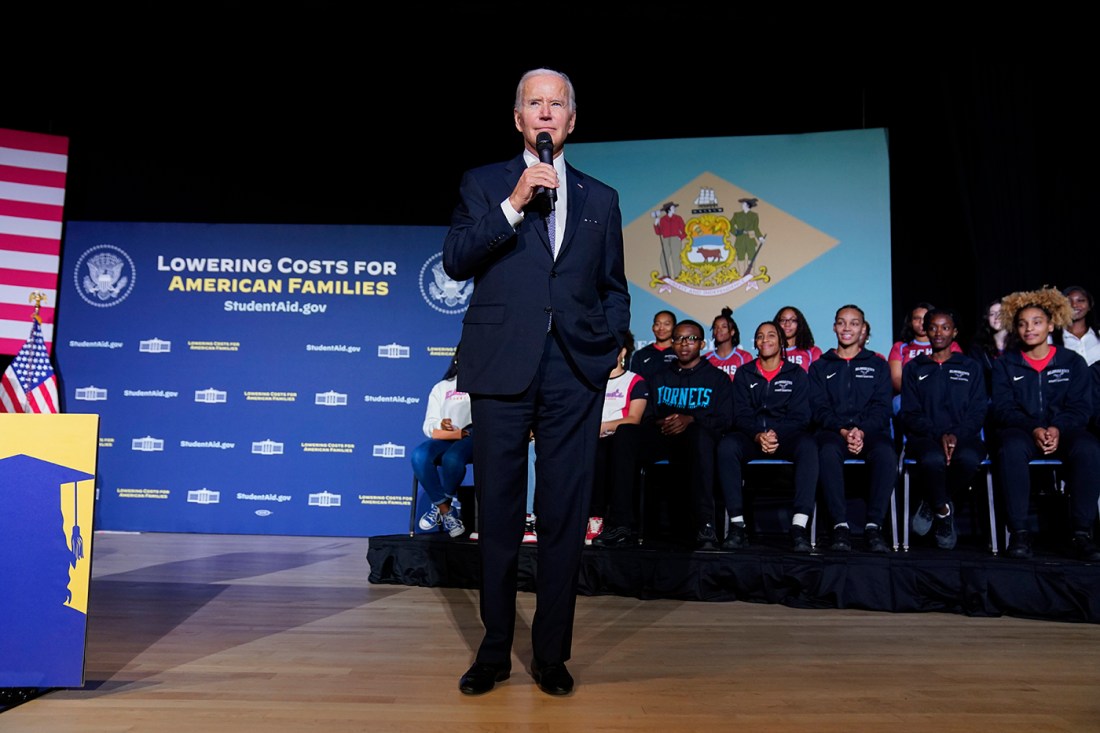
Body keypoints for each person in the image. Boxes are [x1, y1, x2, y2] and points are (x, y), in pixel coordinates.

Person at [442, 68, 630, 697]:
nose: (546, 113)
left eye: (557, 105)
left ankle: (550, 653)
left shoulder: (601, 198)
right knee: (497, 513)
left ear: (572, 121)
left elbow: (613, 289)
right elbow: (457, 259)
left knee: (563, 516)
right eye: (535, 104)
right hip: (501, 365)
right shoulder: (484, 184)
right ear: (518, 118)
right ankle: (494, 651)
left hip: (574, 369)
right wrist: (515, 203)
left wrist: (607, 347)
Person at [594, 320, 733, 550]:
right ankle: (620, 525)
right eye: (678, 339)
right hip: (663, 435)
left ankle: (705, 525)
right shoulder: (659, 378)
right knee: (626, 432)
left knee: (699, 436)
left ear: (702, 343)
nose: (684, 344)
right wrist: (666, 422)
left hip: (696, 441)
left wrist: (690, 419)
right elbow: (647, 418)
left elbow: (725, 420)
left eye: (691, 339)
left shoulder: (717, 379)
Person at [991, 287, 1100, 561]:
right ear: (1016, 329)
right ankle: (1019, 532)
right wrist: (1034, 429)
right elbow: (1003, 409)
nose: (1030, 329)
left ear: (1051, 325)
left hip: (1064, 431)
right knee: (1010, 447)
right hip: (1024, 432)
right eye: (1023, 324)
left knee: (1089, 448)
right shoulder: (1006, 365)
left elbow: (1081, 408)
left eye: (1037, 322)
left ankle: (1082, 533)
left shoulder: (1072, 362)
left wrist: (1057, 428)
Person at [716, 320, 818, 551]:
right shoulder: (744, 373)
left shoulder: (796, 374)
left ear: (781, 341)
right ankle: (737, 525)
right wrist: (757, 435)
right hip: (753, 437)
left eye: (771, 335)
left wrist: (775, 434)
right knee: (727, 446)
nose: (765, 340)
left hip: (786, 437)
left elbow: (802, 417)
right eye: (760, 336)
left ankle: (799, 527)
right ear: (755, 343)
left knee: (809, 446)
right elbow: (739, 415)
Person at [809, 304, 896, 553]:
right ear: (835, 327)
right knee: (826, 452)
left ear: (863, 329)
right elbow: (818, 408)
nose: (847, 328)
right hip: (833, 433)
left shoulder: (878, 365)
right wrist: (844, 431)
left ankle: (873, 526)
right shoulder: (820, 366)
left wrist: (861, 430)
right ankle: (840, 526)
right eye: (842, 322)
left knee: (886, 453)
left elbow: (882, 408)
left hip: (868, 433)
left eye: (854, 323)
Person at [897, 308, 987, 550]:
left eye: (945, 327)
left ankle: (932, 500)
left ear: (954, 332)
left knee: (968, 459)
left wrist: (956, 435)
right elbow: (910, 413)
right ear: (926, 331)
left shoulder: (970, 367)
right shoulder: (914, 368)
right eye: (933, 327)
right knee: (931, 459)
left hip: (964, 436)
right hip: (925, 437)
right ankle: (943, 510)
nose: (938, 332)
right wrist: (939, 435)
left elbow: (978, 411)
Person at [589, 330, 649, 544]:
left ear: (622, 351)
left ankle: (601, 519)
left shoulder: (635, 381)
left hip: (618, 439)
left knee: (603, 451)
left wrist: (603, 426)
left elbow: (634, 418)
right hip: (590, 437)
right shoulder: (593, 382)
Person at [411, 348, 471, 538]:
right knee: (419, 455)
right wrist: (440, 424)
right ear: (456, 360)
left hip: (473, 436)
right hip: (448, 436)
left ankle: (439, 505)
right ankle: (445, 510)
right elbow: (428, 425)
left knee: (452, 458)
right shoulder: (442, 387)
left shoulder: (485, 384)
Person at [970, 297, 1008, 399]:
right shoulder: (977, 347)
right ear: (987, 318)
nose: (997, 317)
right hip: (989, 400)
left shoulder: (1019, 344)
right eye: (992, 314)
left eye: (1001, 313)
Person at [1054, 285, 1100, 366]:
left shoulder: (1098, 334)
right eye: (1068, 301)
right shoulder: (1050, 339)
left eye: (1081, 300)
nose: (1074, 305)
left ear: (1090, 306)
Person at [704, 306, 754, 380]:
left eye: (724, 327)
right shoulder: (706, 359)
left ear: (732, 332)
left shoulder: (744, 357)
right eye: (715, 327)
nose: (718, 330)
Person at [630, 310, 677, 383]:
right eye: (657, 324)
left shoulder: (680, 352)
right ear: (653, 327)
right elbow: (636, 383)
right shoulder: (641, 355)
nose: (661, 328)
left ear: (675, 327)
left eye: (666, 324)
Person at [774, 305, 822, 372]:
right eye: (783, 320)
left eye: (793, 320)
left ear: (799, 324)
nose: (787, 324)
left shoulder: (812, 351)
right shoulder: (771, 352)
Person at [651, 201, 686, 280]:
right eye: (673, 208)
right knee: (663, 258)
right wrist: (656, 224)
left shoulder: (678, 218)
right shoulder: (663, 220)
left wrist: (680, 237)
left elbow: (685, 230)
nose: (674, 209)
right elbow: (659, 232)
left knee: (675, 258)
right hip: (666, 240)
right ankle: (667, 275)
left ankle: (678, 276)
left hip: (675, 240)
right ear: (669, 209)